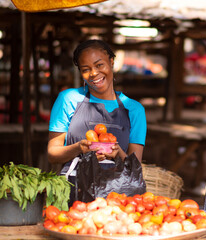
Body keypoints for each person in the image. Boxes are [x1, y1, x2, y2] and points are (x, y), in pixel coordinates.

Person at [47, 39, 147, 204]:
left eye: (99, 65)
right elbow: (52, 154)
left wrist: (117, 153)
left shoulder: (134, 110)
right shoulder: (68, 99)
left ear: (112, 62)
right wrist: (80, 148)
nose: (93, 73)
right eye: (86, 69)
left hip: (117, 198)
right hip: (72, 192)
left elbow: (135, 167)